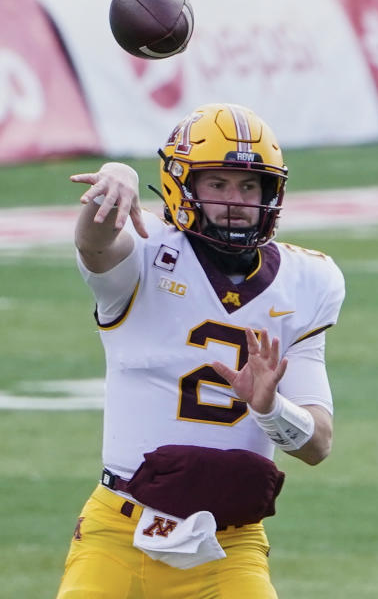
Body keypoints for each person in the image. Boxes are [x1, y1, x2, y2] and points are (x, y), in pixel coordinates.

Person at [56, 102, 345, 598]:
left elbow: (318, 445)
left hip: (229, 547)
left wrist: (271, 408)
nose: (236, 200)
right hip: (119, 535)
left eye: (249, 186)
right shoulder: (146, 253)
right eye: (218, 184)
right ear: (182, 185)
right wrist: (114, 182)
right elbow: (96, 245)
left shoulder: (309, 280)